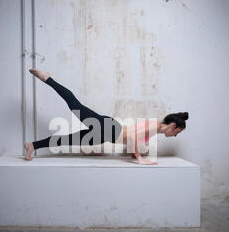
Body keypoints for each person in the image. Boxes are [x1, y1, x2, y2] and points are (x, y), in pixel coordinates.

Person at [24, 69, 188, 165]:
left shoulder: (155, 128)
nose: (174, 136)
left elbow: (133, 137)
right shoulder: (155, 126)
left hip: (106, 134)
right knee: (75, 105)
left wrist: (133, 154)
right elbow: (130, 135)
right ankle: (48, 78)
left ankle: (32, 145)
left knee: (68, 140)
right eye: (177, 132)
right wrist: (139, 158)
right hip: (107, 128)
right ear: (173, 126)